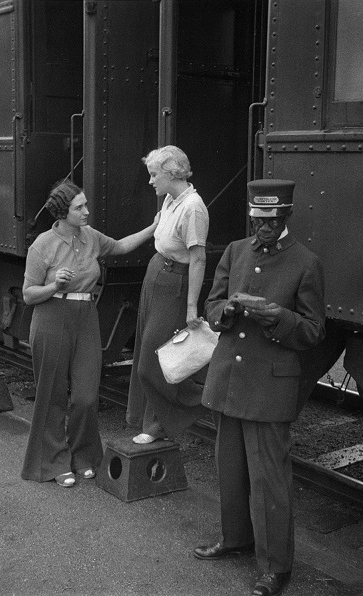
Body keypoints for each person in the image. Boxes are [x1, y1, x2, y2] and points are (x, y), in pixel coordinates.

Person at [194, 179, 326, 596]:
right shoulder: (235, 251)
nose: (263, 227)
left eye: (271, 220)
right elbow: (211, 305)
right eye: (257, 219)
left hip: (270, 388)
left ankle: (275, 567)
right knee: (230, 468)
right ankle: (236, 540)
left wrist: (276, 317)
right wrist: (225, 311)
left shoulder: (305, 262)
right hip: (230, 380)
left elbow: (313, 332)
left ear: (285, 216)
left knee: (269, 480)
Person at [21, 178, 159, 487]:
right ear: (62, 212)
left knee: (85, 395)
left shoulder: (90, 237)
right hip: (51, 315)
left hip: (86, 316)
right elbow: (29, 295)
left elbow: (121, 246)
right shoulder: (42, 245)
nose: (86, 211)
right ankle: (52, 462)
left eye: (86, 205)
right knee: (52, 395)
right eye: (79, 207)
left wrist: (154, 227)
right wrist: (55, 284)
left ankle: (82, 455)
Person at [126, 145, 209, 444]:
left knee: (153, 361)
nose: (150, 181)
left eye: (153, 174)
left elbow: (198, 259)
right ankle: (152, 424)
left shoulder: (193, 207)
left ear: (172, 173)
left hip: (175, 282)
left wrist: (191, 307)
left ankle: (203, 400)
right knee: (146, 355)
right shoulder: (172, 201)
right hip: (156, 275)